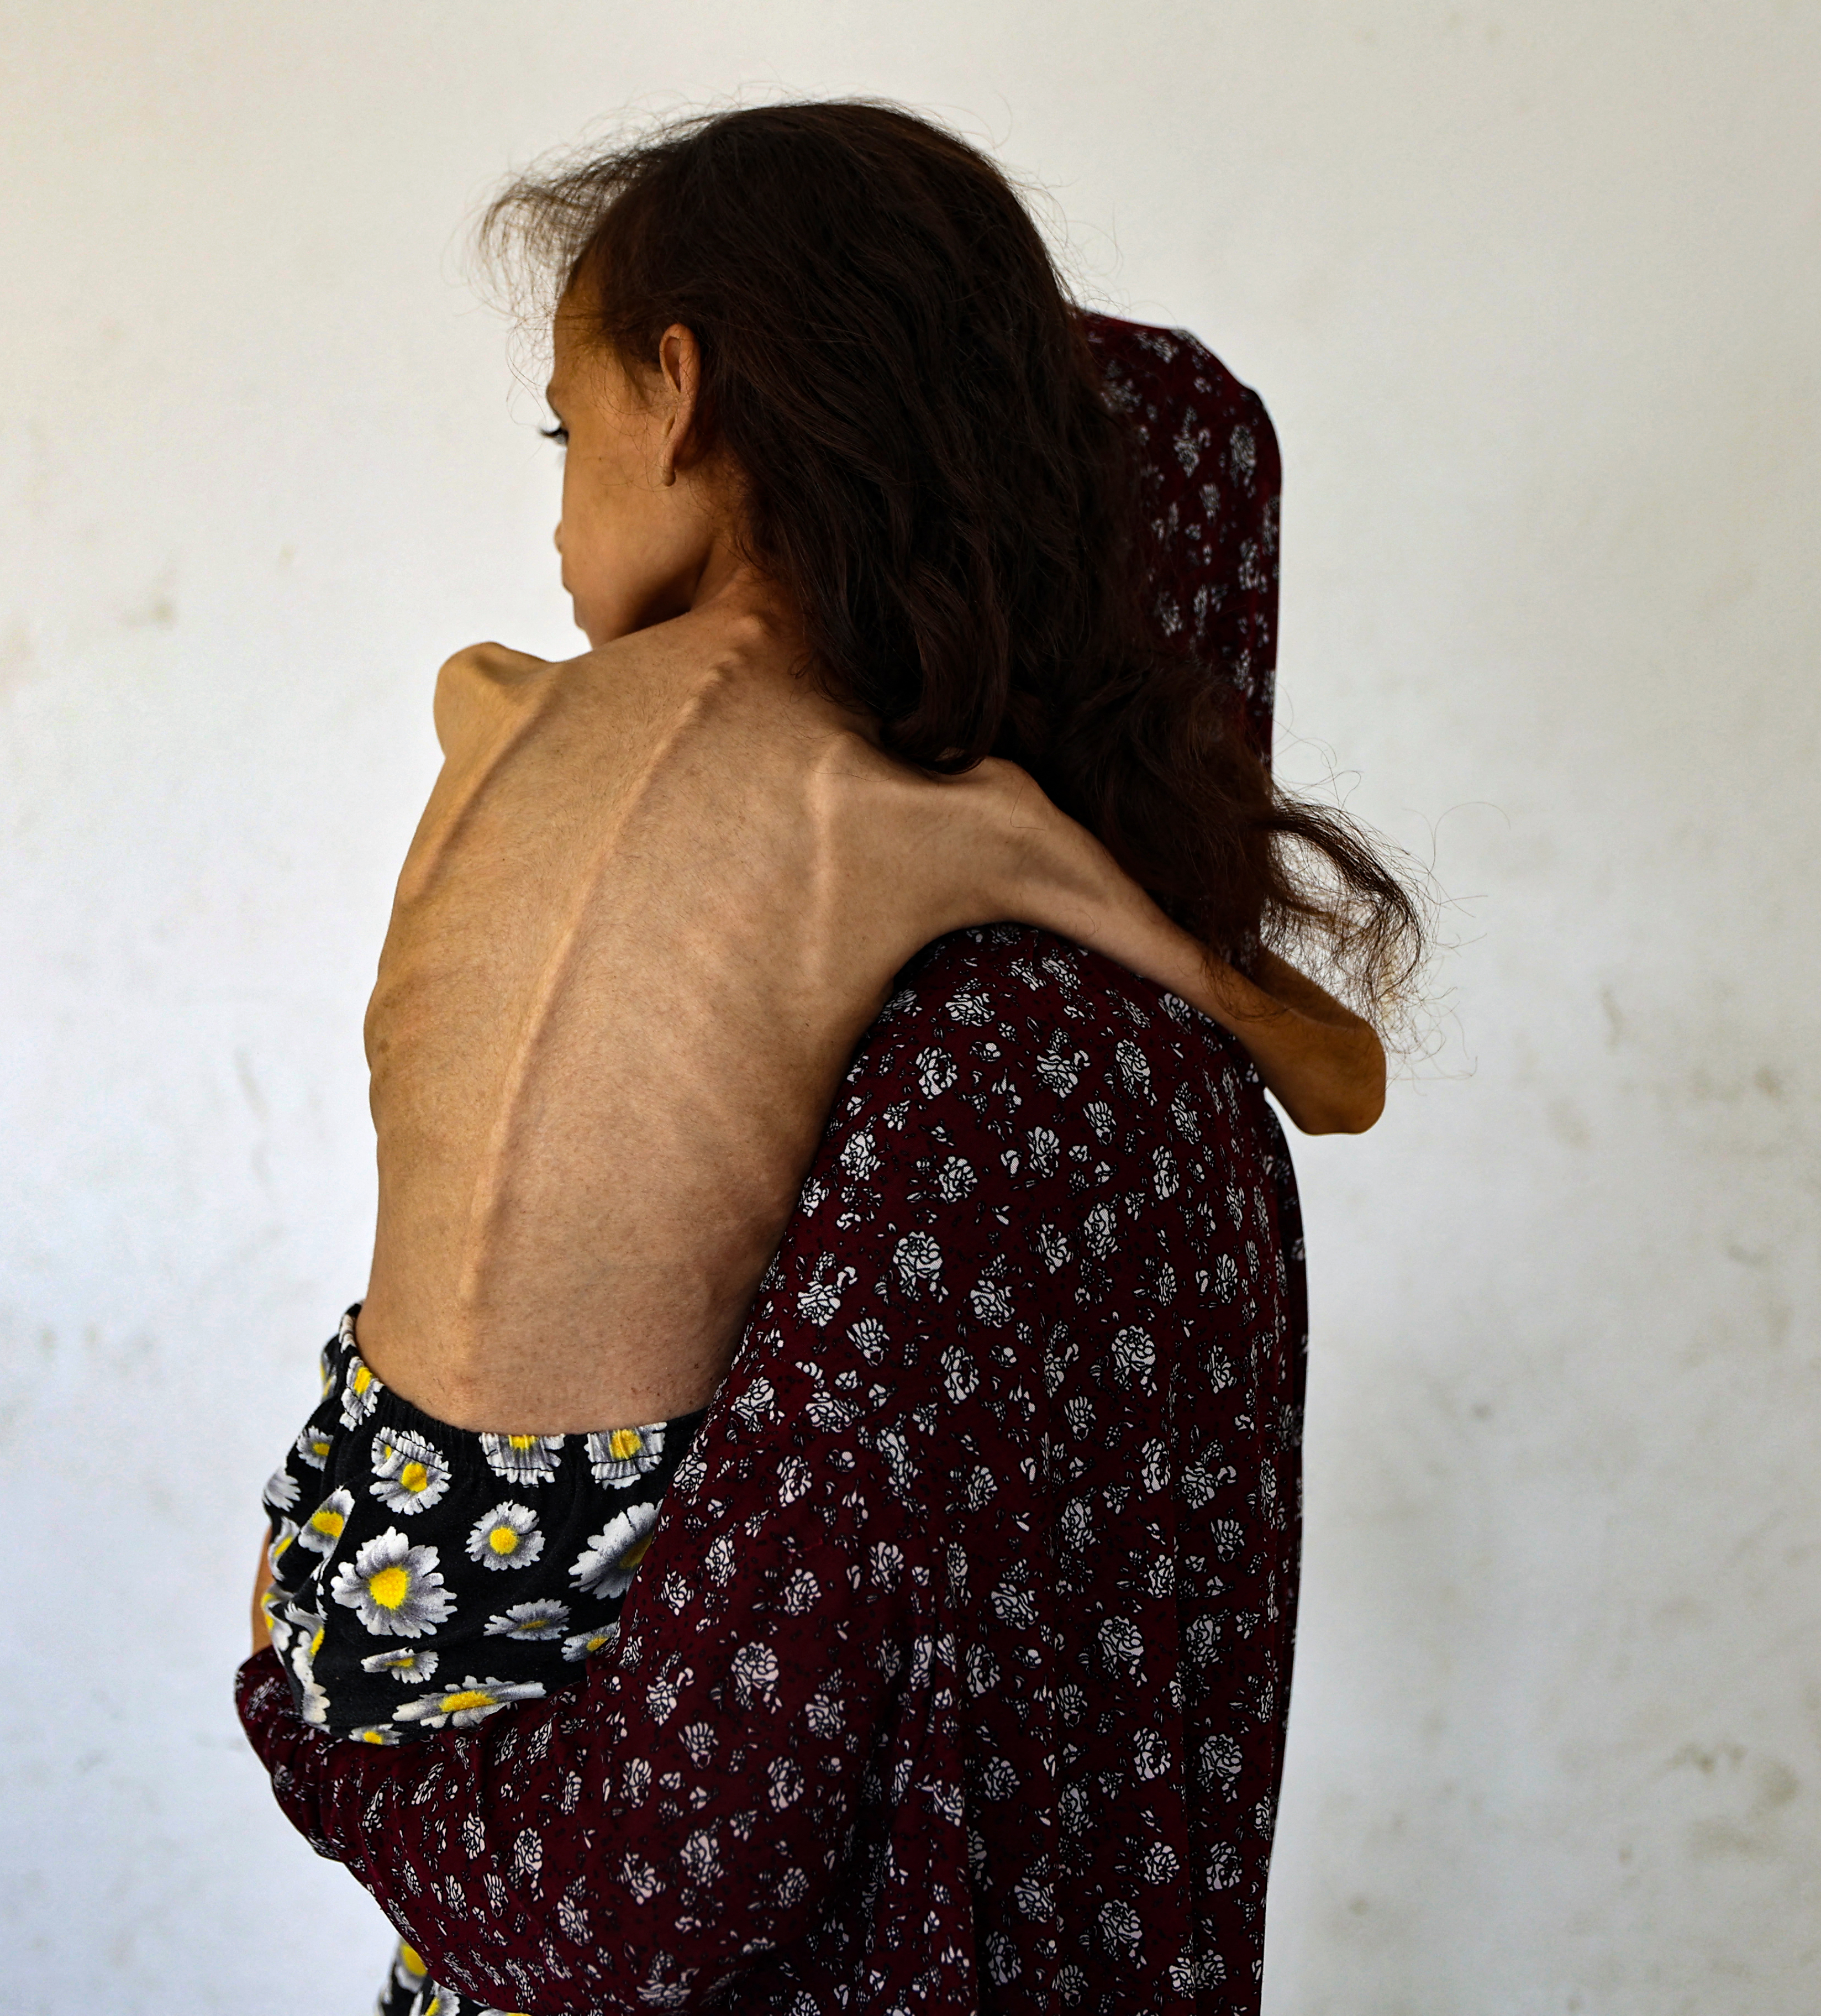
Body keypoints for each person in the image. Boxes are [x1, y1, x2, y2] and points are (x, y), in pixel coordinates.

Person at [242, 101, 1422, 2015]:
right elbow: (1308, 1055)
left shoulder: (981, 1073)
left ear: (689, 400)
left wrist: (306, 1723)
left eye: (568, 430)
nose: (556, 509)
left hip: (387, 1545)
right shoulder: (1072, 1014)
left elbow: (634, 1890)